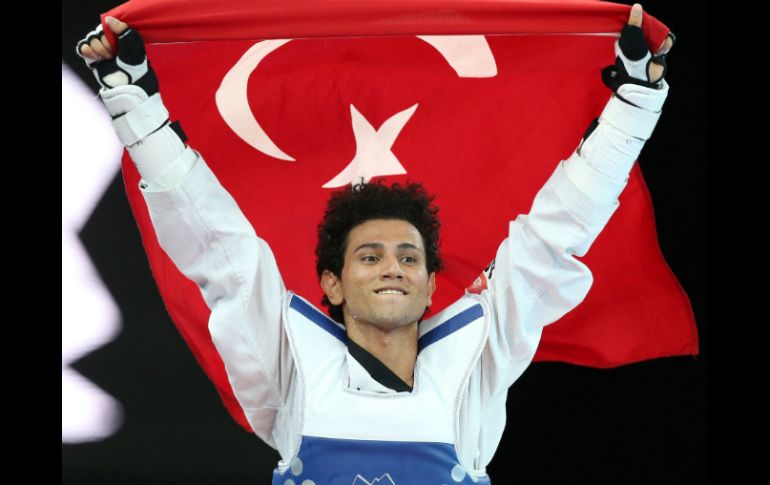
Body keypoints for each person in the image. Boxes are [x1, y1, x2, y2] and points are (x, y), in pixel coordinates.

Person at [76, 4, 674, 483]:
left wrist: (632, 109)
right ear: (331, 283)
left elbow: (553, 235)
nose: (394, 268)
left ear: (432, 283)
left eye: (409, 257)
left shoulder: (478, 359)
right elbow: (217, 246)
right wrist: (137, 108)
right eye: (370, 256)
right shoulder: (290, 368)